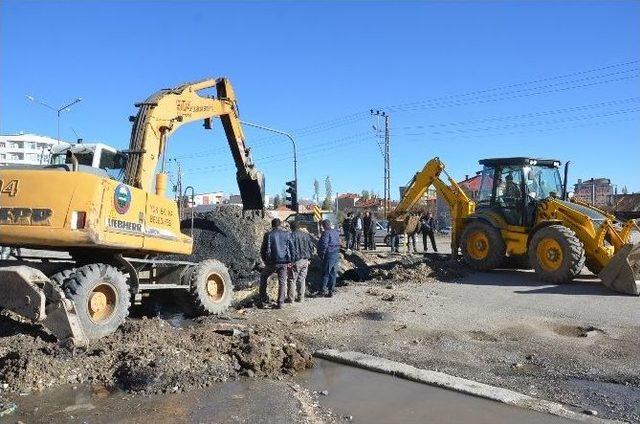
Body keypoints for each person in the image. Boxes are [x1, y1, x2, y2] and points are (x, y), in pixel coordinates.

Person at [259, 218, 292, 309]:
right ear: (280, 224)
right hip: (284, 261)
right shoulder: (286, 234)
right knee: (282, 282)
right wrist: (290, 261)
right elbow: (291, 248)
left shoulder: (268, 234)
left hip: (271, 262)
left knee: (263, 277)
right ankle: (280, 303)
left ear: (272, 225)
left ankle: (263, 298)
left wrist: (265, 260)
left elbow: (263, 249)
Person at [288, 222, 315, 302]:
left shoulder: (291, 236)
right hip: (305, 260)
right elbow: (311, 247)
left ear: (291, 228)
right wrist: (309, 259)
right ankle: (301, 298)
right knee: (302, 279)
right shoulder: (306, 235)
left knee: (292, 279)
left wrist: (290, 261)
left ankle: (291, 299)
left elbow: (290, 249)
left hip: (296, 261)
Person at [317, 219, 340, 297]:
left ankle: (322, 291)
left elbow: (324, 244)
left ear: (324, 225)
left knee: (326, 272)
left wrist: (321, 254)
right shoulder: (336, 231)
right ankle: (331, 291)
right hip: (336, 253)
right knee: (333, 273)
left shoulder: (326, 233)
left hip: (329, 254)